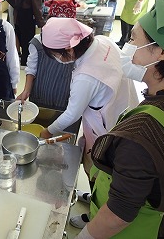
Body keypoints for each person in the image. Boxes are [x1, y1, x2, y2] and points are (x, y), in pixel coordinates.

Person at [76, 0, 164, 239]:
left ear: (161, 52)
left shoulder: (142, 134)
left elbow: (118, 214)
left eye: (132, 39)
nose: (126, 49)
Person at [37, 18, 138, 228]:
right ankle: (94, 197)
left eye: (55, 54)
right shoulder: (102, 41)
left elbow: (72, 114)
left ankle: (94, 216)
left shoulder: (86, 76)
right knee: (95, 167)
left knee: (100, 171)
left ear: (69, 50)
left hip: (105, 127)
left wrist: (47, 131)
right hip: (121, 108)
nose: (56, 59)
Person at [17, 2, 76, 111]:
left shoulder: (76, 43)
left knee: (61, 123)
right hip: (41, 93)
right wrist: (26, 90)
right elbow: (31, 68)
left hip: (64, 96)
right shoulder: (38, 42)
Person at [3, 0, 45, 67]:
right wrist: (41, 24)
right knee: (28, 44)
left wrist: (16, 5)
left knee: (19, 39)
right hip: (28, 18)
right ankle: (25, 66)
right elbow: (37, 7)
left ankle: (19, 63)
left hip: (17, 15)